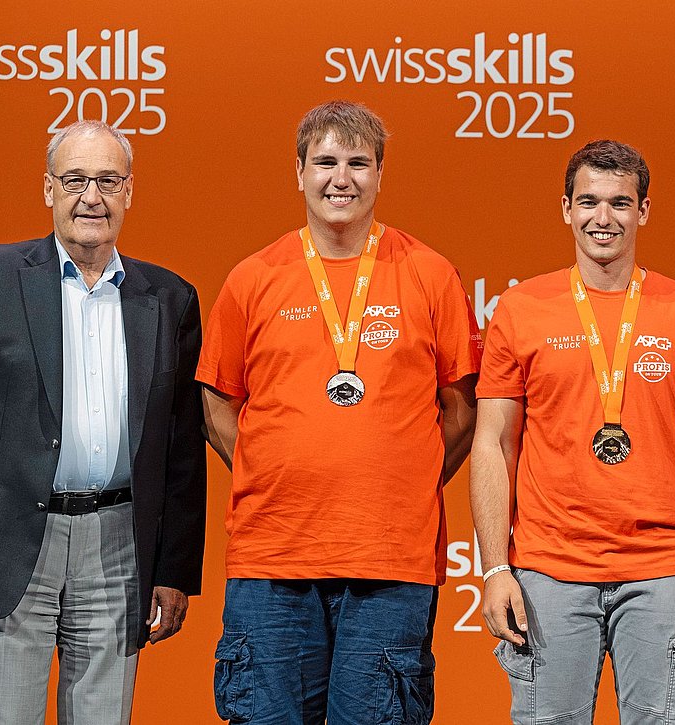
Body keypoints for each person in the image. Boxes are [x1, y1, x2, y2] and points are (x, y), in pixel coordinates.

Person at [0, 120, 207, 724]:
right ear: (48, 189)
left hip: (119, 547)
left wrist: (174, 568)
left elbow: (180, 448)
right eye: (74, 180)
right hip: (8, 538)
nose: (91, 197)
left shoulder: (170, 297)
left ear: (129, 192)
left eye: (107, 181)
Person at [197, 100, 481, 724]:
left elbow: (461, 410)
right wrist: (271, 471)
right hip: (273, 558)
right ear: (299, 173)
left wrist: (404, 480)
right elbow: (217, 401)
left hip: (391, 558)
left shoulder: (431, 274)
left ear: (380, 174)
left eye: (358, 163)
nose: (341, 178)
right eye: (325, 162)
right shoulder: (252, 278)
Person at [470, 139, 675, 724]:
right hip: (549, 569)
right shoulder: (519, 308)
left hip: (663, 568)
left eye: (620, 203)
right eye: (589, 201)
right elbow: (493, 444)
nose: (604, 217)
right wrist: (494, 570)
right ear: (565, 209)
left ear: (643, 211)